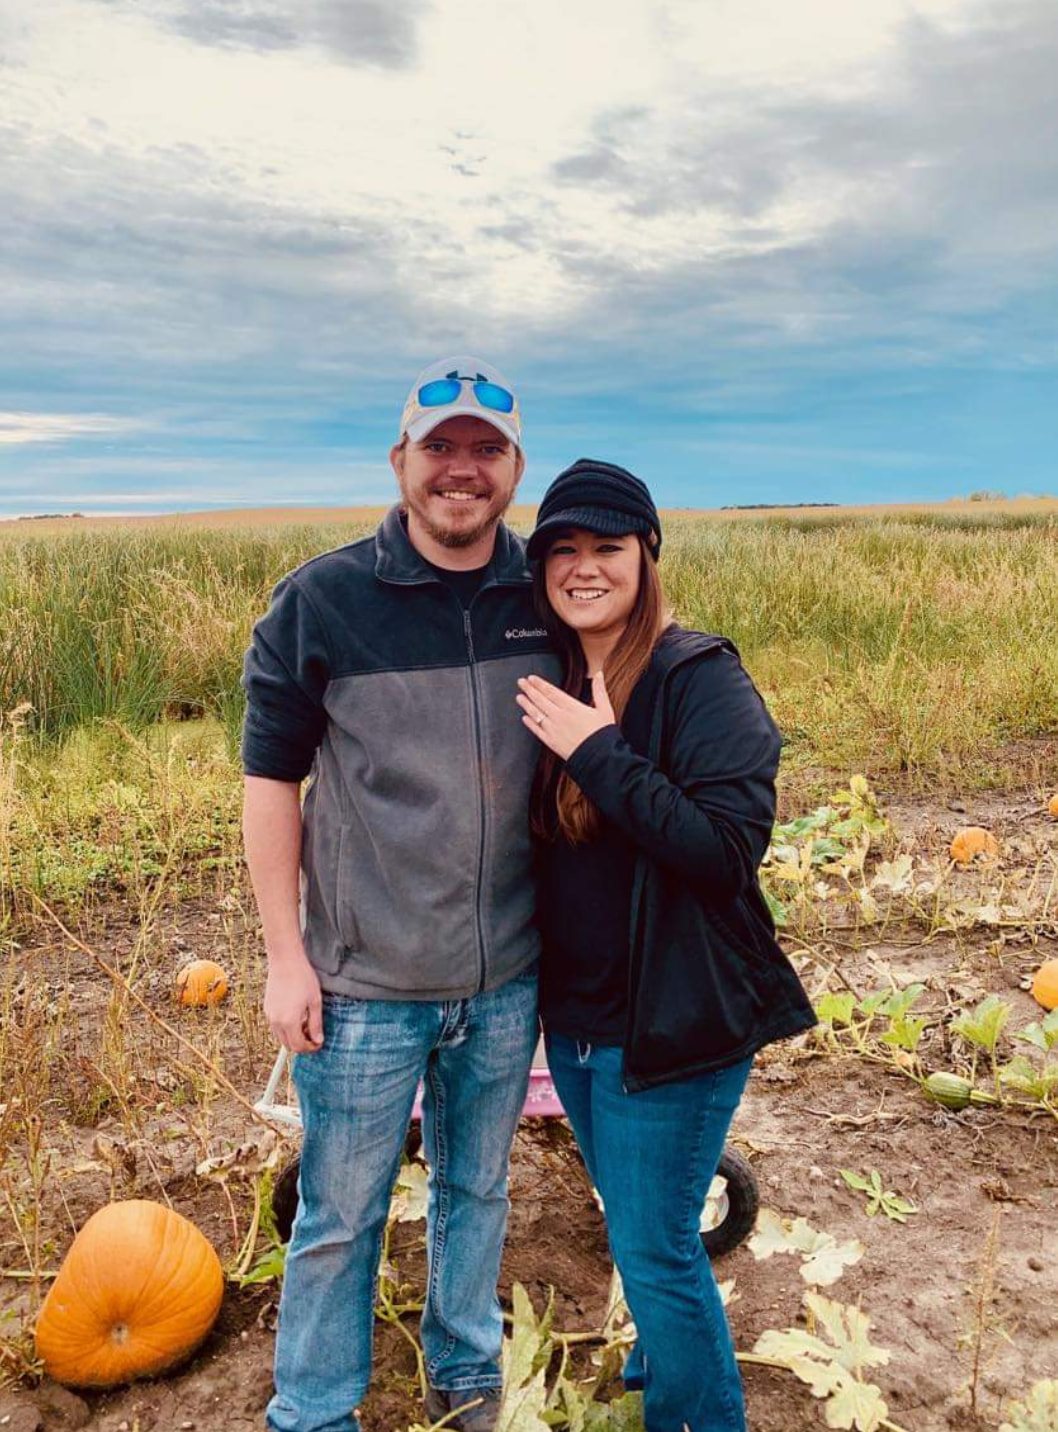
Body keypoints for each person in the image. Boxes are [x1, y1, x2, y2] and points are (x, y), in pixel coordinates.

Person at [241, 357, 559, 1432]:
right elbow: (269, 783)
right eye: (440, 448)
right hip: (366, 982)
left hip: (507, 977)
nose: (461, 471)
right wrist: (287, 958)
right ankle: (315, 1408)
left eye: (485, 450)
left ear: (515, 467)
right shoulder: (322, 600)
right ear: (400, 462)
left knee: (478, 1187)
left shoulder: (546, 596)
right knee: (340, 1210)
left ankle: (465, 1367)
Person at [515, 459, 817, 1432]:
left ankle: (698, 1415)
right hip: (581, 1026)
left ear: (645, 556)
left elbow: (726, 848)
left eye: (606, 547)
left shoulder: (698, 677)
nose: (584, 567)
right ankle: (662, 1357)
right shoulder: (547, 679)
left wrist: (600, 754)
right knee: (636, 1225)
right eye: (563, 549)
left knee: (655, 1250)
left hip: (674, 1025)